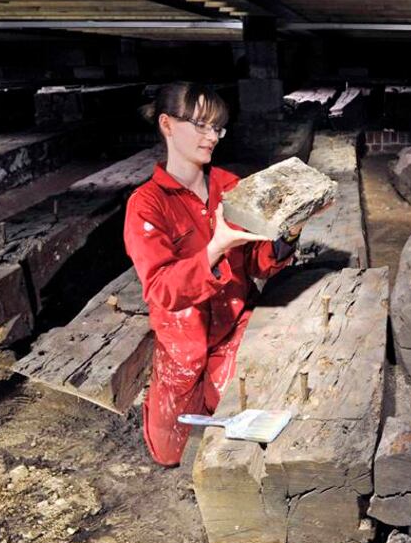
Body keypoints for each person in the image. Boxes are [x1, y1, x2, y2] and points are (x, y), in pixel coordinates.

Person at [124, 82, 298, 467]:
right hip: (182, 339)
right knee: (169, 453)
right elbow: (161, 289)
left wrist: (287, 234)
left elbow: (258, 263)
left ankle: (219, 387)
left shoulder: (229, 186)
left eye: (217, 127)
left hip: (235, 322)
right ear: (167, 124)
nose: (212, 137)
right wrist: (215, 247)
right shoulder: (147, 204)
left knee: (243, 422)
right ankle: (179, 392)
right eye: (201, 125)